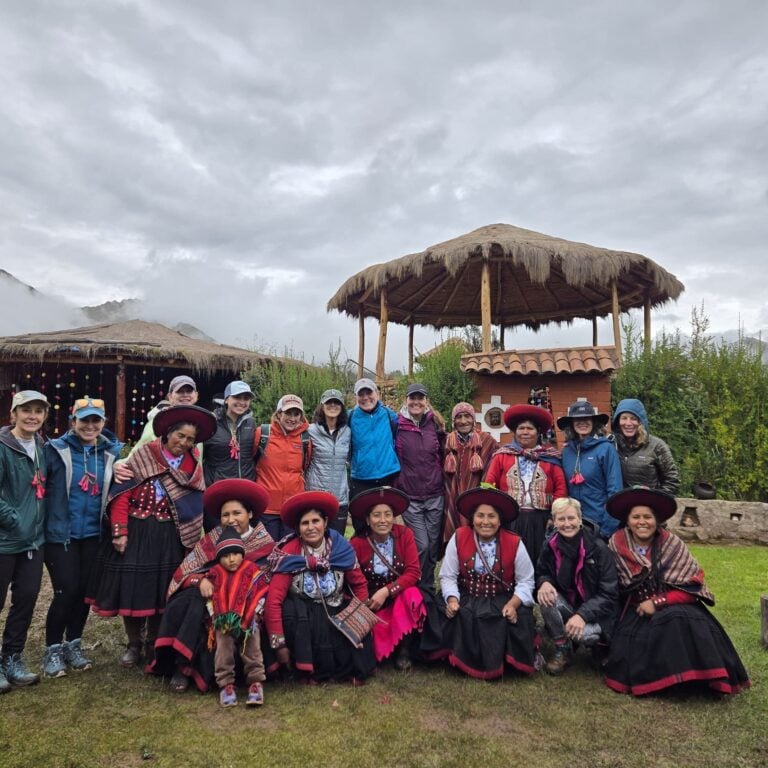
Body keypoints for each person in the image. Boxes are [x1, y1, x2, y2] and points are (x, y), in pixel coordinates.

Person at [86, 404, 216, 668]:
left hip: (170, 535)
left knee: (161, 592)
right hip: (137, 532)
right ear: (168, 433)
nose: (184, 442)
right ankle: (134, 643)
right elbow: (122, 494)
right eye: (180, 436)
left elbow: (193, 505)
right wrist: (120, 532)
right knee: (131, 590)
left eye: (190, 439)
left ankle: (153, 642)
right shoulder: (143, 455)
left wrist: (190, 540)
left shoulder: (193, 467)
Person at [604, 487, 750, 696]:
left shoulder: (673, 544)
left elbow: (691, 589)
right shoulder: (616, 544)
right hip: (635, 609)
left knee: (676, 619)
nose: (642, 521)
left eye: (648, 516)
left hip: (675, 603)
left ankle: (691, 681)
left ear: (657, 520)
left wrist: (658, 602)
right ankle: (663, 682)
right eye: (636, 517)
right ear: (628, 521)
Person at [151, 478, 274, 693]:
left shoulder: (263, 542)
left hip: (248, 601)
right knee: (188, 601)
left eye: (237, 513)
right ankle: (183, 666)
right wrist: (202, 581)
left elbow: (267, 579)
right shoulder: (212, 539)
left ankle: (250, 673)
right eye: (226, 515)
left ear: (250, 514)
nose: (231, 519)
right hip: (209, 597)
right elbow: (186, 571)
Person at [42, 397, 122, 678]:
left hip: (93, 535)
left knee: (85, 593)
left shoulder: (113, 453)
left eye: (95, 420)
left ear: (103, 422)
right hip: (59, 535)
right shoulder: (54, 450)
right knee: (66, 590)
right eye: (84, 420)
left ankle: (73, 644)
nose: (90, 426)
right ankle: (52, 649)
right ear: (72, 421)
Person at [264, 491, 375, 685]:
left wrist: (360, 617)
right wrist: (278, 643)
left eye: (315, 521)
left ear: (325, 522)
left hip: (334, 607)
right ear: (298, 529)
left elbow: (359, 584)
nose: (311, 527)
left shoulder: (341, 549)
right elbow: (274, 600)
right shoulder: (289, 553)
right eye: (305, 523)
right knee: (296, 613)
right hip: (303, 614)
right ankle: (303, 668)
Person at [432, 487, 536, 680]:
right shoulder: (460, 536)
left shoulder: (514, 542)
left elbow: (526, 581)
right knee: (453, 611)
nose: (485, 522)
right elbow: (447, 576)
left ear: (500, 520)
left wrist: (513, 605)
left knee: (504, 617)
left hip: (500, 598)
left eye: (491, 516)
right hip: (467, 595)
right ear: (472, 518)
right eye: (480, 516)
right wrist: (453, 599)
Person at [0, 391, 49, 691]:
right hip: (4, 540)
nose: (32, 416)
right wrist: (16, 521)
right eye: (26, 410)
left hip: (33, 542)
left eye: (38, 411)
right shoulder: (3, 446)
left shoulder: (42, 446)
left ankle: (12, 657)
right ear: (14, 413)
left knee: (26, 599)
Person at [535, 497, 618, 675]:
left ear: (580, 519)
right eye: (561, 519)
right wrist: (544, 582)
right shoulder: (550, 545)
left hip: (596, 613)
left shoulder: (598, 548)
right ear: (554, 521)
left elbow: (609, 593)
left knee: (585, 635)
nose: (567, 524)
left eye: (571, 518)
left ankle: (598, 645)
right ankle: (562, 647)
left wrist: (583, 615)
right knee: (546, 597)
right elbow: (542, 571)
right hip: (569, 604)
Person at [349, 487, 425, 671]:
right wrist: (366, 599)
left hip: (397, 594)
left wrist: (386, 591)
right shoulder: (357, 543)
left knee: (413, 595)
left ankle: (404, 651)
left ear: (394, 517)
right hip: (371, 599)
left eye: (387, 514)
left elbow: (413, 572)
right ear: (367, 519)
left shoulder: (404, 535)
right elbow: (353, 578)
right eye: (376, 515)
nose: (383, 520)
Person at [484, 404, 566, 566]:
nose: (525, 432)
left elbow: (561, 489)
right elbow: (488, 484)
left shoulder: (550, 458)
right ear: (515, 432)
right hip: (511, 518)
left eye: (530, 428)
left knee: (540, 559)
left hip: (541, 519)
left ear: (538, 432)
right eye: (521, 428)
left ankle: (539, 588)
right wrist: (494, 513)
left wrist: (554, 516)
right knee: (510, 559)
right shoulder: (502, 456)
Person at [206, 528, 268, 707]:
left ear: (242, 554)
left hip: (249, 620)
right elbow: (211, 597)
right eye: (226, 556)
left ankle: (256, 682)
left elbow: (260, 592)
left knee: (252, 647)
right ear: (219, 558)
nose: (231, 559)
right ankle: (226, 684)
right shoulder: (215, 573)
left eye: (235, 554)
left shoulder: (251, 569)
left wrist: (254, 613)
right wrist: (215, 616)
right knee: (223, 648)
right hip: (223, 621)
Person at [395, 383, 446, 591]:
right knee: (422, 545)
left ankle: (427, 588)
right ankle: (416, 583)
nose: (416, 402)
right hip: (410, 495)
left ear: (426, 401)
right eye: (412, 397)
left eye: (420, 398)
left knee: (433, 546)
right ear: (406, 400)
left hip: (435, 493)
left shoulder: (435, 424)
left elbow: (443, 453)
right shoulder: (397, 424)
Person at [558, 400, 623, 539]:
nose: (582, 422)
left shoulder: (606, 449)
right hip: (573, 525)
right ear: (571, 423)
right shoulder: (567, 451)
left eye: (587, 418)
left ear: (594, 422)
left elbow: (615, 490)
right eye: (578, 419)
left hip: (599, 525)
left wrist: (606, 529)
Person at [254, 394, 312, 542]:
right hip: (266, 507)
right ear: (279, 413)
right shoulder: (263, 434)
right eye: (288, 413)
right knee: (267, 553)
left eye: (296, 414)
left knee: (289, 553)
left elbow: (305, 465)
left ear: (301, 416)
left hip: (292, 507)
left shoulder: (305, 439)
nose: (292, 418)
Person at [442, 401, 498, 542]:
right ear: (453, 420)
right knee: (455, 542)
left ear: (473, 419)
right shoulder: (447, 442)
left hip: (476, 498)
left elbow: (494, 469)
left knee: (474, 539)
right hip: (451, 499)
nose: (463, 421)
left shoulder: (487, 441)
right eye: (459, 417)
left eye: (467, 416)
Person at [305, 388, 351, 535]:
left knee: (336, 543)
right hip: (315, 497)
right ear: (322, 406)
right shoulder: (310, 431)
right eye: (328, 403)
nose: (332, 406)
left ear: (342, 407)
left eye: (336, 403)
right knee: (314, 542)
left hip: (339, 499)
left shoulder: (348, 432)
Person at [348, 378, 400, 504]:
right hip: (361, 477)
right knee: (361, 520)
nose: (366, 398)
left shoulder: (389, 414)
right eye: (361, 394)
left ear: (377, 393)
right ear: (356, 397)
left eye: (369, 393)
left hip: (388, 475)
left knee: (386, 518)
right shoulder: (349, 417)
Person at [611, 398, 680, 494]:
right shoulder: (611, 445)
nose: (628, 423)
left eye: (633, 419)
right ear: (617, 421)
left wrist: (653, 498)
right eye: (624, 418)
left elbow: (672, 480)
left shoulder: (657, 446)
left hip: (648, 505)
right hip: (620, 504)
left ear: (641, 421)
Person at [203, 380, 258, 492]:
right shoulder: (210, 423)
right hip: (218, 489)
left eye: (246, 398)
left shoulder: (251, 423)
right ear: (226, 399)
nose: (242, 402)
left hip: (245, 487)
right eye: (237, 397)